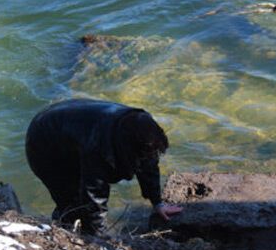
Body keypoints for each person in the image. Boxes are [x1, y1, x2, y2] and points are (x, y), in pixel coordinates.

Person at [25, 98, 183, 235]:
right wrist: (98, 234)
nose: (151, 158)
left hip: (74, 124)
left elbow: (148, 164)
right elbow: (95, 194)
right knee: (71, 202)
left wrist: (157, 203)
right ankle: (64, 233)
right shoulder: (100, 147)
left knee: (85, 195)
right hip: (43, 142)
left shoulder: (145, 129)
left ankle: (80, 230)